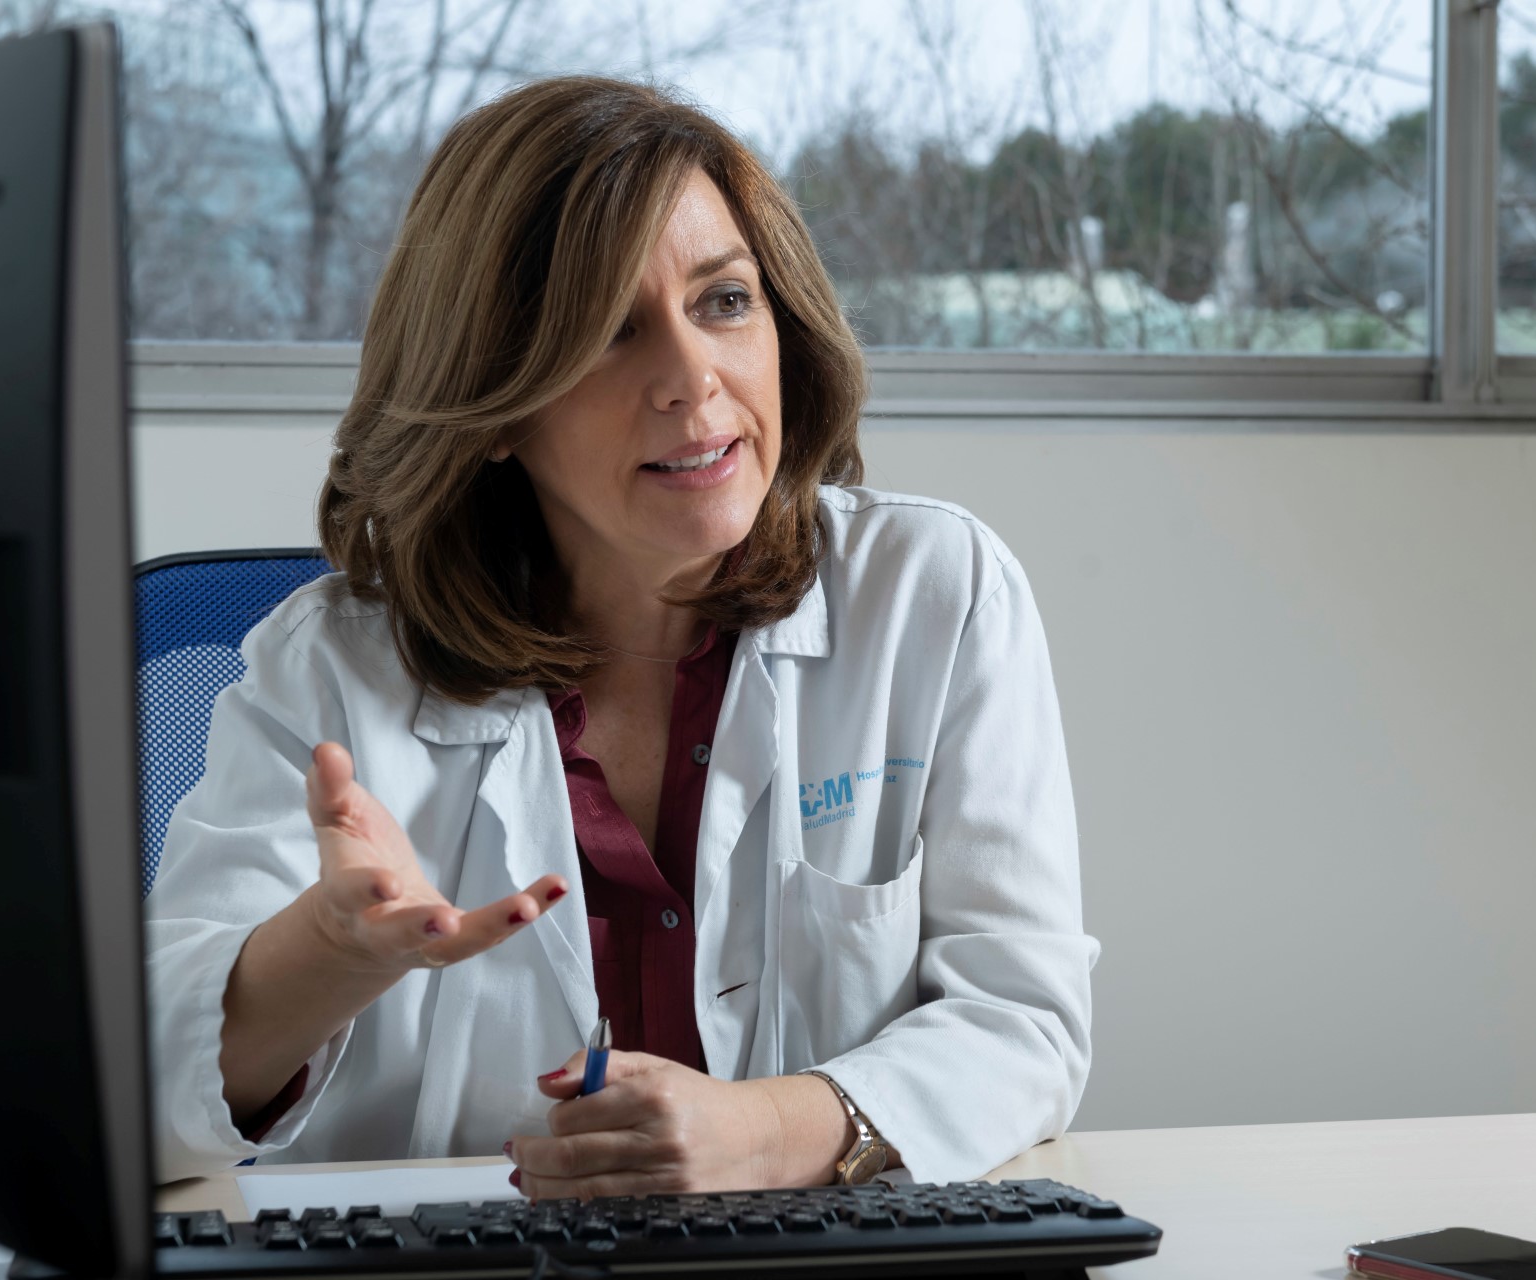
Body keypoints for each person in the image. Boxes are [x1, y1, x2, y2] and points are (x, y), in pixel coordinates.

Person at [146, 74, 1097, 1197]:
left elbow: (1024, 1019)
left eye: (724, 300)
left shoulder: (933, 594)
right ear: (495, 403)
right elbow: (139, 1095)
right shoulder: (330, 667)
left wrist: (763, 1131)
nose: (694, 378)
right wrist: (330, 953)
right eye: (609, 331)